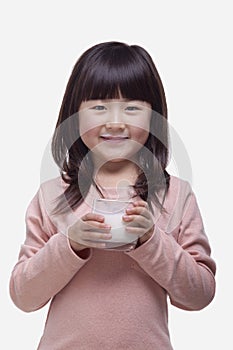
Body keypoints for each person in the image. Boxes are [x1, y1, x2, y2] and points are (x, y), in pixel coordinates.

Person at [9, 41, 216, 350]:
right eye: (99, 106)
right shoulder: (53, 195)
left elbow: (199, 295)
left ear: (154, 117)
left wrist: (151, 240)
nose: (116, 122)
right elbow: (24, 296)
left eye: (132, 107)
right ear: (74, 114)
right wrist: (70, 244)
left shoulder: (176, 195)